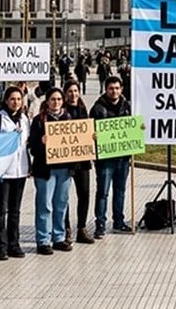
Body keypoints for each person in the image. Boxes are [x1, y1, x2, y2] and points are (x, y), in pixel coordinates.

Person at [28, 87, 74, 255]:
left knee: (61, 204)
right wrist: (41, 143)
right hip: (45, 170)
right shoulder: (39, 120)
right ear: (47, 101)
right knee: (45, 205)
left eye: (59, 99)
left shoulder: (68, 119)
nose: (56, 102)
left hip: (64, 169)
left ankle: (59, 237)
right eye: (53, 99)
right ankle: (43, 240)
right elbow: (33, 147)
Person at [0, 86, 30, 260]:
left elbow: (27, 143)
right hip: (3, 172)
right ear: (6, 101)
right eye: (12, 99)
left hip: (20, 170)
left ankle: (14, 244)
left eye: (19, 99)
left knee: (15, 210)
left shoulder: (24, 119)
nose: (16, 102)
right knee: (1, 209)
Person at [91, 76, 133, 238]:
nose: (114, 91)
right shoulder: (97, 108)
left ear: (121, 89)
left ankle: (118, 222)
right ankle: (100, 224)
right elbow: (90, 130)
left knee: (120, 190)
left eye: (117, 88)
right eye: (111, 88)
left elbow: (133, 127)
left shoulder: (128, 106)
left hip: (123, 157)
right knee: (103, 191)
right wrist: (93, 136)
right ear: (106, 90)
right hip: (105, 158)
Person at [64, 80, 94, 244]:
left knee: (84, 193)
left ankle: (81, 227)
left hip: (82, 160)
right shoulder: (62, 111)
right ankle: (66, 228)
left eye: (75, 91)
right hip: (65, 160)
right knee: (64, 196)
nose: (73, 94)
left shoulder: (83, 109)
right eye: (70, 91)